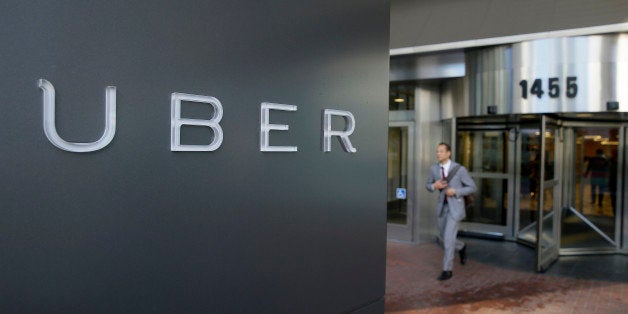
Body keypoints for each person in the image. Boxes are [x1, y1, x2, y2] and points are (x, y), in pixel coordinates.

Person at [425, 143, 477, 281]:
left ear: (448, 153)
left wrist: (456, 191)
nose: (438, 154)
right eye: (437, 151)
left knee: (448, 238)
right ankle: (461, 247)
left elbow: (472, 187)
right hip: (442, 207)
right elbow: (428, 185)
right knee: (443, 236)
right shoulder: (434, 169)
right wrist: (433, 186)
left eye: (441, 151)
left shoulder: (459, 169)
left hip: (455, 207)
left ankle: (447, 270)